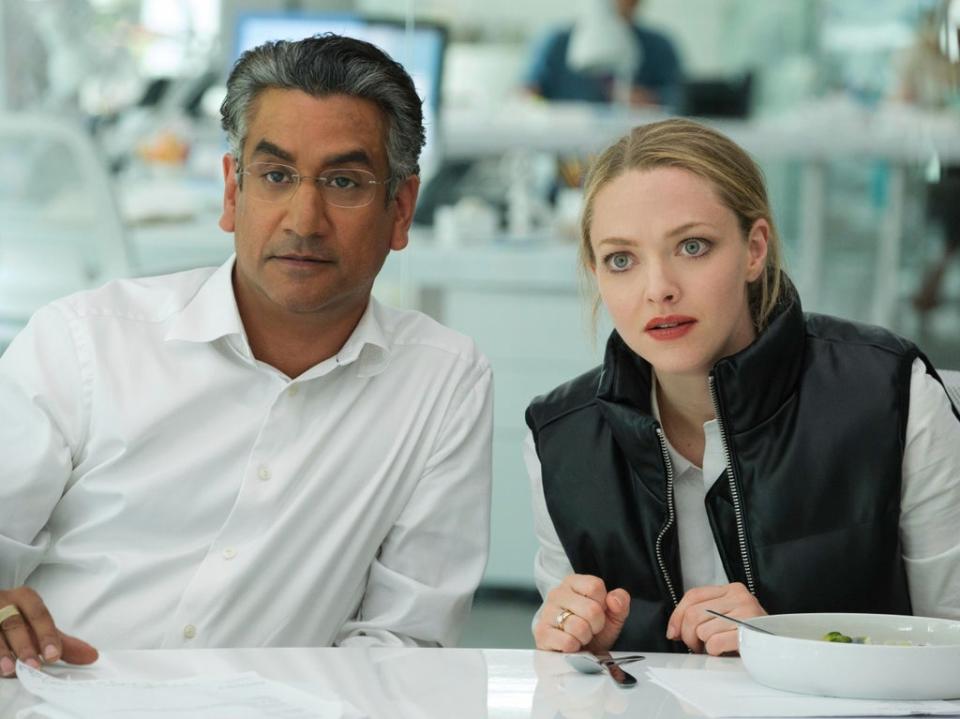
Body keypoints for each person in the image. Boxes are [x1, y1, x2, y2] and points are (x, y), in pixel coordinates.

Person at [0, 34, 493, 677]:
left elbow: (404, 643)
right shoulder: (85, 341)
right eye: (276, 175)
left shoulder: (442, 381)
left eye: (344, 181)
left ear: (399, 209)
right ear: (234, 191)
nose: (304, 218)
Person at [524, 118, 960, 656]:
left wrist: (788, 645)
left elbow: (953, 651)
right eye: (621, 260)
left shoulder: (894, 398)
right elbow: (581, 670)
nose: (658, 289)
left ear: (755, 249)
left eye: (692, 247)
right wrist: (582, 649)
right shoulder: (560, 439)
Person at [524, 0, 682, 107]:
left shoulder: (659, 45)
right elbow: (528, 93)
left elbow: (682, 97)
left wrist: (650, 99)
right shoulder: (557, 42)